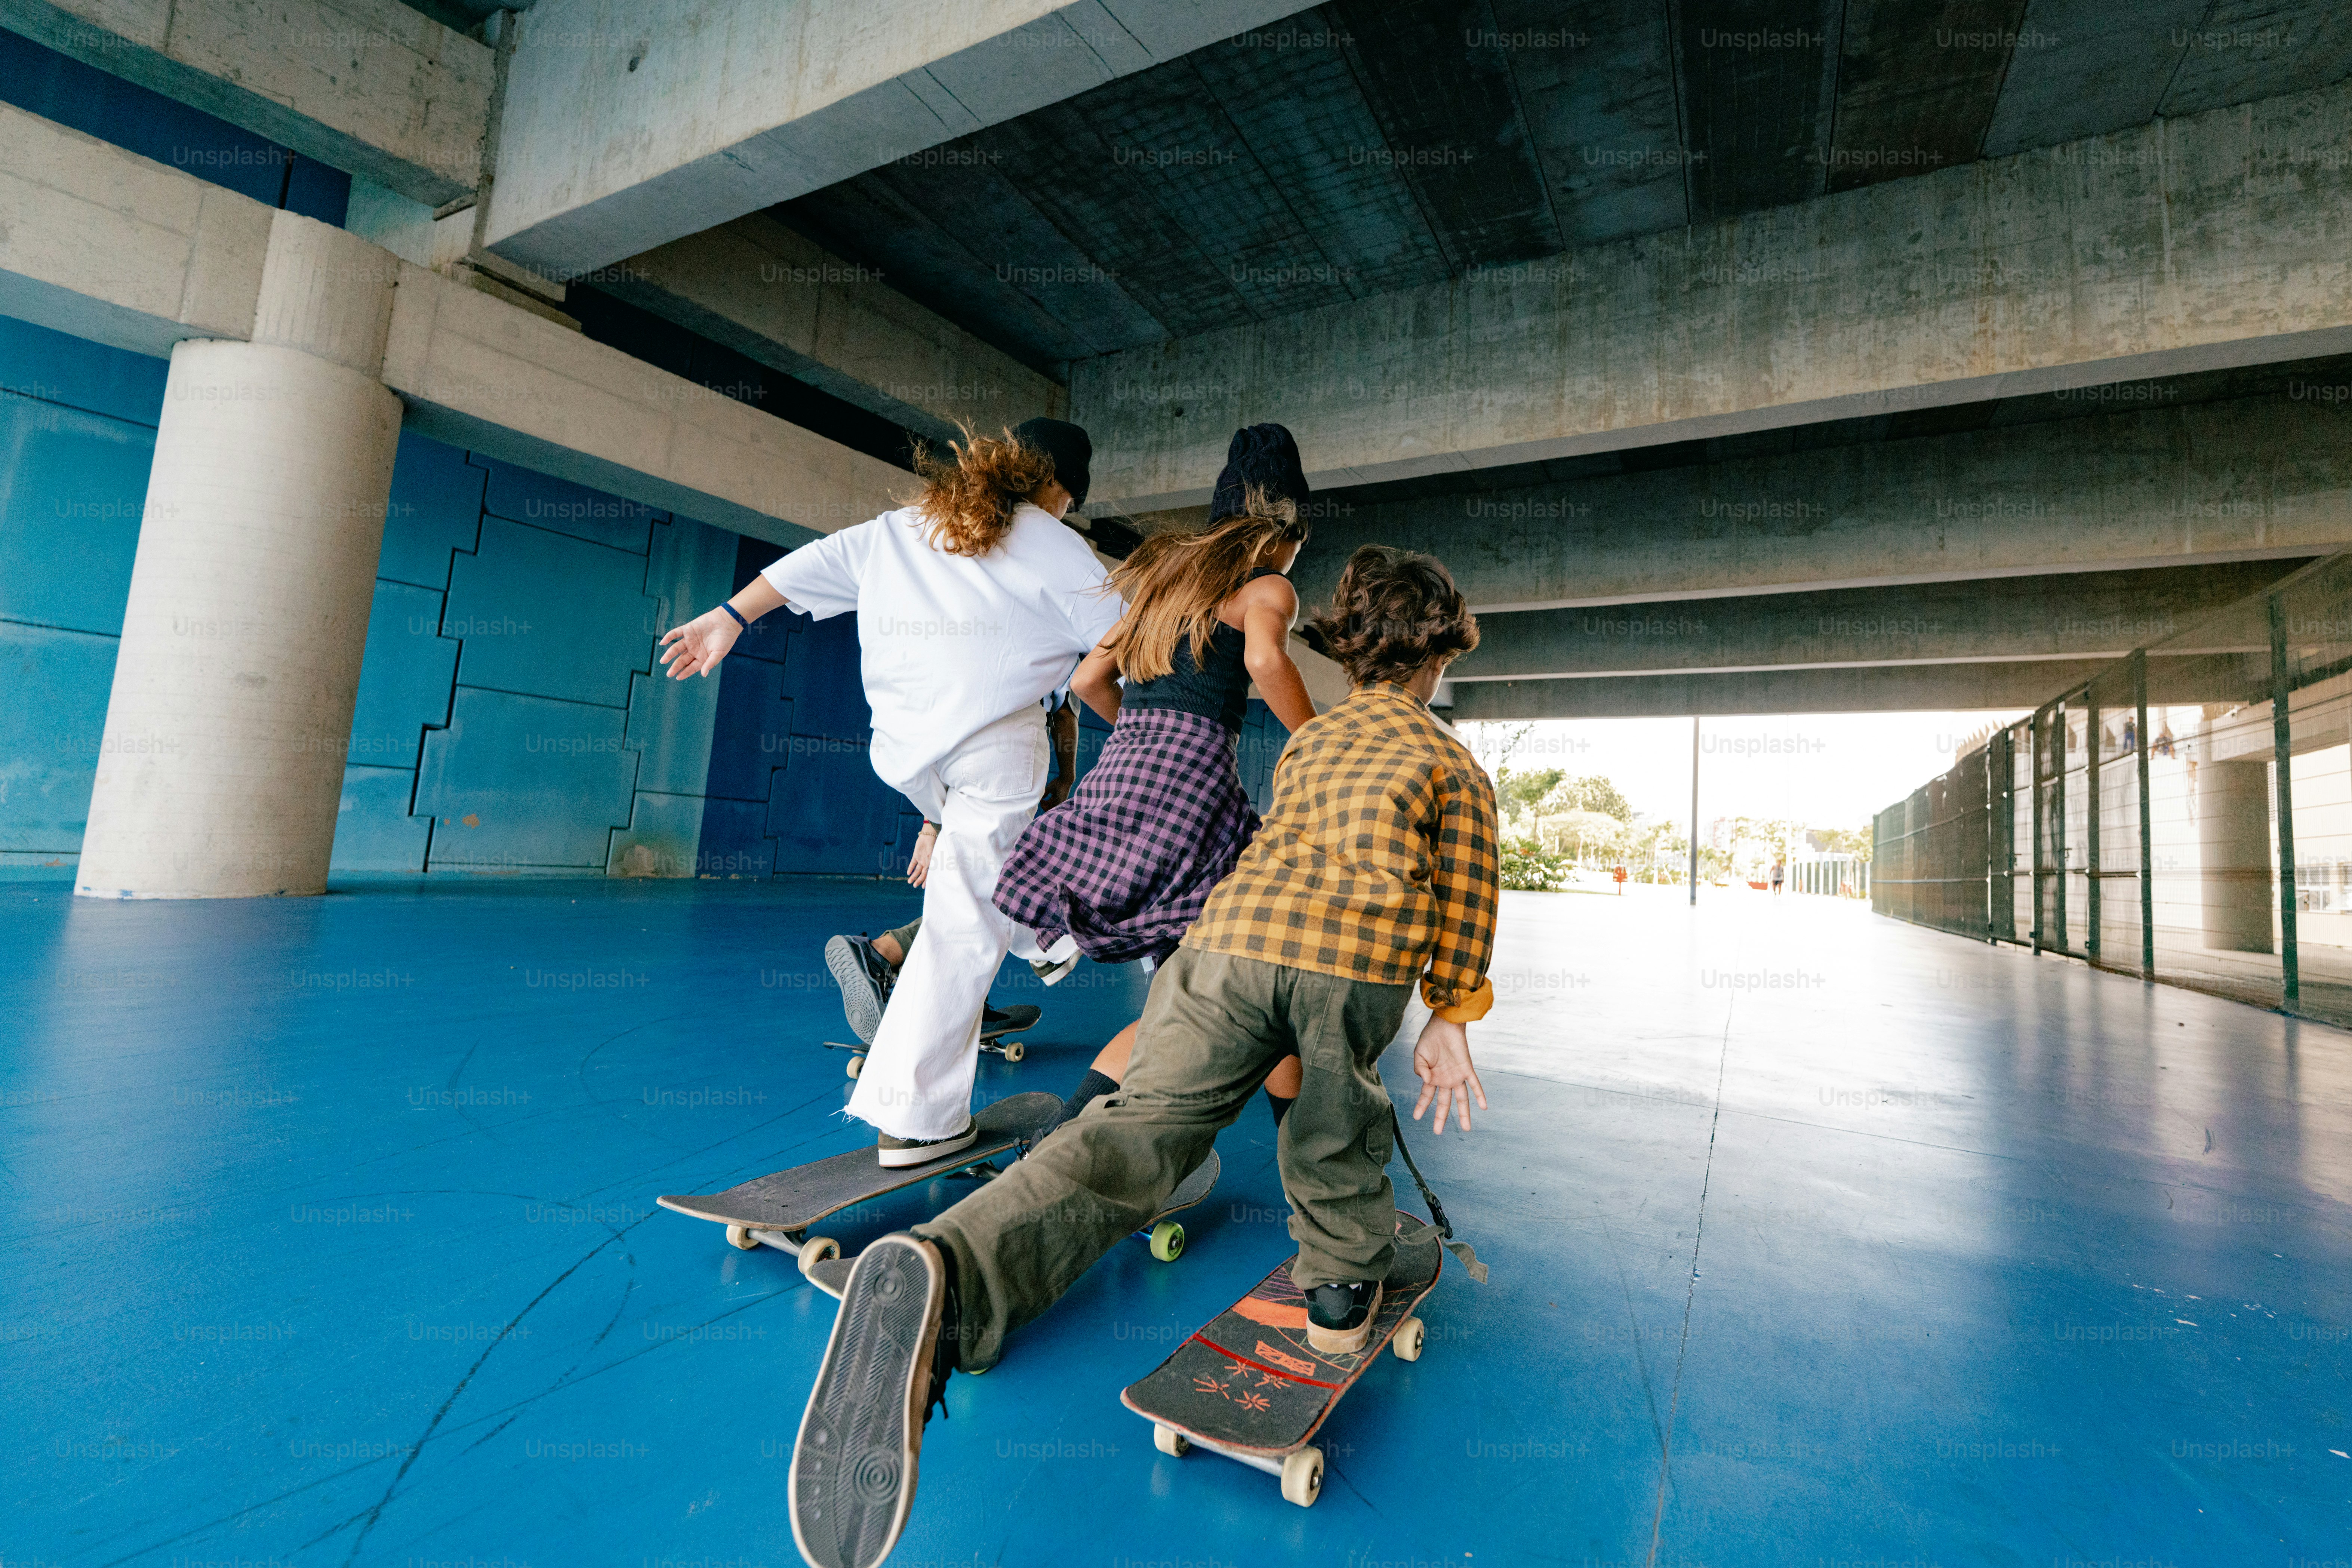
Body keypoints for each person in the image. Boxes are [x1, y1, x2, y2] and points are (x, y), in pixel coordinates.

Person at [785, 545, 1498, 1568]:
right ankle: (1339, 1292)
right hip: (1351, 962)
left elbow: (1273, 840)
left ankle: (950, 1267)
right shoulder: (1448, 762)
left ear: (1348, 656)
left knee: (1140, 1131)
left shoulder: (1310, 745)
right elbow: (1466, 891)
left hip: (1228, 946)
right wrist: (1451, 1013)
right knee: (1339, 1120)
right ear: (1435, 663)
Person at [660, 418, 1115, 1168]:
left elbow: (812, 564)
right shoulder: (1061, 547)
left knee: (980, 887)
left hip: (907, 751)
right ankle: (918, 1117)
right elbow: (1128, 647)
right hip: (995, 746)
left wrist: (729, 616)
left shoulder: (912, 523)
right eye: (1068, 500)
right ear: (1056, 487)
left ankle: (1043, 935)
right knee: (965, 921)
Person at [998, 425, 1323, 1142]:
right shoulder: (1268, 586)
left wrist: (1145, 739)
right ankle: (1314, 1165)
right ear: (1280, 531)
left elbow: (1089, 680)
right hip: (1196, 781)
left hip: (1127, 771)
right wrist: (1324, 747)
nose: (1299, 557)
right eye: (1300, 542)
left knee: (1203, 979)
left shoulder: (1162, 587)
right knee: (1250, 968)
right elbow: (1268, 664)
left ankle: (1069, 1137)